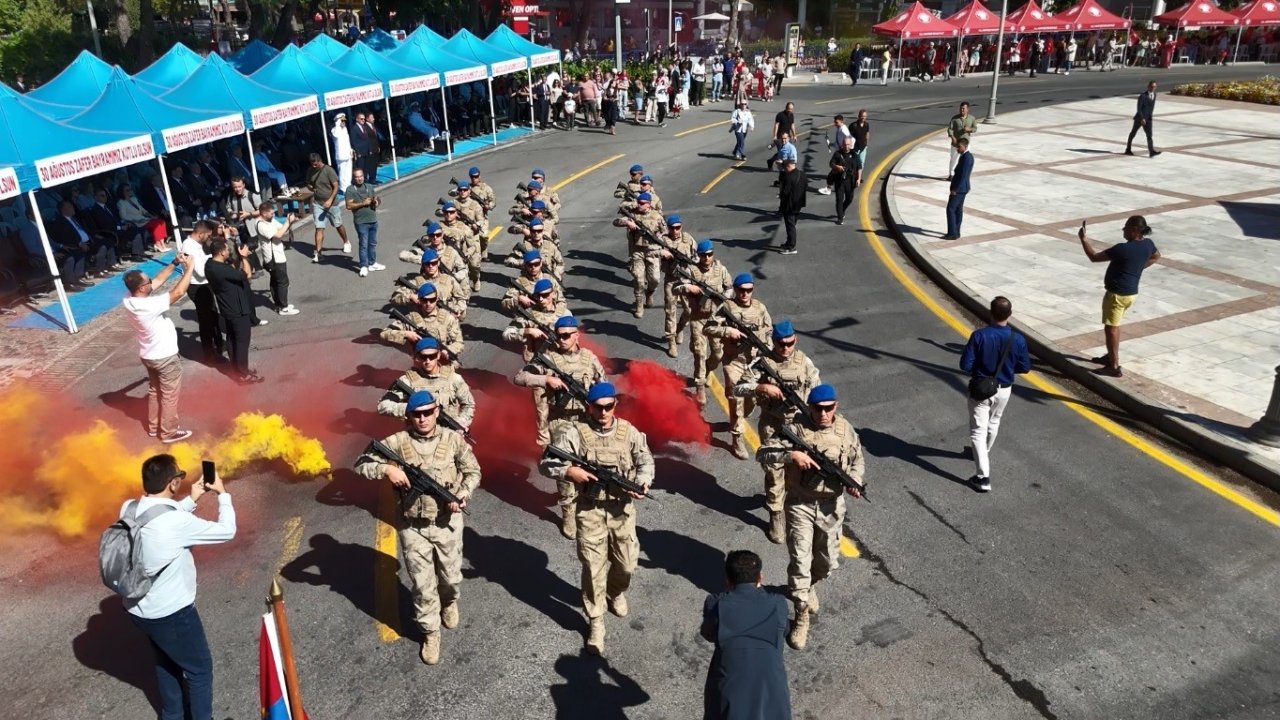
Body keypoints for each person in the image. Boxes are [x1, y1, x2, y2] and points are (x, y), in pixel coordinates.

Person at [355, 390, 481, 665]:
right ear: (409, 416)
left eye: (427, 413)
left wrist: (464, 494)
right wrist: (388, 471)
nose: (422, 419)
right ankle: (431, 633)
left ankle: (448, 602)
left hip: (447, 523)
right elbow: (361, 462)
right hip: (412, 526)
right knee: (423, 586)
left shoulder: (453, 440)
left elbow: (473, 471)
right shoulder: (398, 442)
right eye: (416, 414)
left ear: (437, 412)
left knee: (450, 578)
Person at [539, 381, 654, 656]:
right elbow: (546, 463)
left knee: (626, 565)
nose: (603, 413)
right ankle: (596, 620)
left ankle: (615, 592)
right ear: (589, 406)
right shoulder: (575, 433)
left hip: (621, 510)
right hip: (589, 511)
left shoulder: (629, 433)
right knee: (592, 568)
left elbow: (645, 461)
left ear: (615, 405)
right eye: (597, 407)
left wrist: (641, 481)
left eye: (608, 407)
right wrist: (570, 473)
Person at [123, 453, 236, 720]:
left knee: (166, 663)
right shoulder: (176, 524)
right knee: (199, 671)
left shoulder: (128, 508)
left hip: (137, 609)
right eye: (179, 479)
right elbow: (227, 530)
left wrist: (191, 499)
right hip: (172, 613)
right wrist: (223, 495)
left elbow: (157, 517)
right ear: (173, 483)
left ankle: (171, 716)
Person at [756, 384, 865, 650]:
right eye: (818, 409)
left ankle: (809, 586)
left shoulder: (845, 430)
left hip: (830, 507)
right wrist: (790, 455)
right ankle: (801, 613)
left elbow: (857, 460)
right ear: (811, 407)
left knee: (826, 564)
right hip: (800, 504)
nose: (823, 414)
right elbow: (763, 453)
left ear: (836, 406)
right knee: (800, 561)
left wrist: (855, 481)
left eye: (829, 408)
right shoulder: (796, 429)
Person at [514, 316, 605, 537]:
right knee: (566, 467)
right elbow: (520, 377)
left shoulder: (588, 358)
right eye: (558, 335)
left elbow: (602, 384)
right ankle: (568, 513)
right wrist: (546, 381)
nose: (561, 339)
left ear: (576, 336)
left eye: (566, 335)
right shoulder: (547, 358)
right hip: (560, 421)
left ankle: (589, 506)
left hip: (584, 419)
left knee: (590, 464)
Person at [733, 321, 821, 543]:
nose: (785, 348)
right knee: (774, 471)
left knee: (798, 471)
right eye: (781, 344)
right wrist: (761, 387)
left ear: (795, 340)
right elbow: (738, 388)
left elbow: (817, 391)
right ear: (773, 342)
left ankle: (791, 507)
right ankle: (775, 514)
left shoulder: (804, 363)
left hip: (799, 425)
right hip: (773, 425)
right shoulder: (763, 363)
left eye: (789, 343)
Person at [701, 550, 792, 720]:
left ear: (727, 580)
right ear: (760, 578)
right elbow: (785, 629)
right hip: (770, 687)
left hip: (729, 686)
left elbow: (708, 633)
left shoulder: (716, 604)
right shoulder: (777, 603)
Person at [959, 296, 1032, 492]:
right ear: (1010, 314)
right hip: (1005, 389)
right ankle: (985, 451)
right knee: (994, 422)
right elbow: (1025, 367)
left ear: (990, 313)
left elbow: (965, 365)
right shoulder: (1017, 339)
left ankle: (983, 478)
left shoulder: (979, 336)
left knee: (977, 432)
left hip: (981, 389)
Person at [122, 254, 196, 443]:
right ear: (141, 288)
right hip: (165, 357)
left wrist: (174, 263)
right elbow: (178, 292)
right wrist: (189, 269)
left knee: (155, 391)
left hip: (149, 355)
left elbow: (158, 280)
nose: (151, 283)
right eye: (148, 282)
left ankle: (154, 427)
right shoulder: (149, 305)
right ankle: (168, 432)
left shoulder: (129, 299)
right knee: (169, 395)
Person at [1078, 215, 1161, 378]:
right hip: (1131, 294)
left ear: (1135, 230)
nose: (1123, 230)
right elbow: (1157, 256)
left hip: (1117, 296)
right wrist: (1139, 267)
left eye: (1126, 227)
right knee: (1114, 326)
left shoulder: (1122, 249)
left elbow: (1094, 257)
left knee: (1111, 328)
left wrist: (1083, 239)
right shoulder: (1148, 244)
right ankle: (1109, 356)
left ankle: (1114, 365)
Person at [706, 274, 773, 459]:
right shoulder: (727, 307)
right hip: (733, 361)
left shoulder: (760, 308)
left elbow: (769, 330)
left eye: (748, 290)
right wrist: (729, 331)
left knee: (752, 400)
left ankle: (736, 421)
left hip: (753, 363)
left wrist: (766, 347)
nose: (745, 294)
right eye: (741, 290)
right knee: (736, 400)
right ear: (735, 289)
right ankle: (737, 439)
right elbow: (708, 328)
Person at [204, 237, 263, 384]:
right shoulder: (223, 269)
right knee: (242, 341)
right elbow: (247, 274)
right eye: (227, 249)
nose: (229, 250)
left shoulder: (209, 265)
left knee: (231, 339)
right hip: (237, 309)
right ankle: (243, 373)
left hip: (226, 308)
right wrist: (243, 257)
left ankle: (236, 369)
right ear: (221, 252)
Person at [613, 192, 666, 318]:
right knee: (638, 279)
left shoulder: (657, 216)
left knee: (654, 279)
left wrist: (659, 236)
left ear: (648, 204)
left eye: (642, 203)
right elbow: (615, 222)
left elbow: (665, 231)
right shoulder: (633, 215)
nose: (639, 205)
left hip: (652, 251)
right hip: (637, 252)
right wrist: (627, 223)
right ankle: (639, 304)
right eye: (638, 203)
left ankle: (650, 293)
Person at [252, 201, 299, 316]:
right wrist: (288, 222)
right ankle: (284, 307)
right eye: (271, 213)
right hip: (273, 258)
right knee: (282, 281)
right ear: (263, 213)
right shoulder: (261, 224)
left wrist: (290, 222)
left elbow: (282, 229)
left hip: (278, 255)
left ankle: (278, 304)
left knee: (275, 281)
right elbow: (278, 235)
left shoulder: (270, 220)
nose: (273, 215)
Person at [305, 153, 350, 262]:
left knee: (338, 225)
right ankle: (318, 253)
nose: (314, 167)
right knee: (319, 227)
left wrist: (330, 200)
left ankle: (346, 241)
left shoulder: (328, 170)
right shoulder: (310, 170)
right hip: (318, 203)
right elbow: (308, 184)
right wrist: (311, 188)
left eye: (315, 164)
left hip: (332, 203)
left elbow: (335, 186)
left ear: (320, 161)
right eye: (312, 165)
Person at [345, 168, 382, 277]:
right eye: (357, 177)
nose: (359, 178)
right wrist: (362, 203)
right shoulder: (350, 190)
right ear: (354, 178)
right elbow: (348, 205)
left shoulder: (369, 187)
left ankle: (372, 263)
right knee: (363, 244)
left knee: (372, 243)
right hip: (361, 222)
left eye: (361, 176)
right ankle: (363, 266)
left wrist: (376, 202)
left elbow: (376, 198)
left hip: (373, 219)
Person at [944, 137, 973, 241]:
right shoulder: (965, 156)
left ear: (965, 146)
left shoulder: (967, 158)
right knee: (957, 210)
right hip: (962, 188)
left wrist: (955, 189)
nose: (957, 149)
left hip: (959, 189)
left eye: (959, 147)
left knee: (951, 209)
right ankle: (956, 232)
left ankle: (952, 233)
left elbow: (963, 176)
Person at [1125, 81, 1161, 158]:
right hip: (1140, 119)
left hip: (1148, 119)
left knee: (1149, 135)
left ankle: (1151, 152)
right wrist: (1142, 118)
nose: (1153, 88)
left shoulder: (1154, 95)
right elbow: (1139, 108)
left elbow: (1151, 107)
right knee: (1133, 133)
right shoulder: (1142, 96)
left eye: (1154, 87)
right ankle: (1128, 149)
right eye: (1151, 86)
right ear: (1148, 87)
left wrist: (1149, 116)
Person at [777, 158, 806, 254]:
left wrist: (780, 195)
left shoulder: (788, 177)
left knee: (790, 226)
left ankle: (791, 247)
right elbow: (805, 186)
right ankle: (789, 242)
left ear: (788, 166)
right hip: (799, 204)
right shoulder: (802, 174)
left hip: (789, 205)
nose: (784, 169)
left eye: (785, 167)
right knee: (792, 224)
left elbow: (785, 192)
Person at [828, 136, 857, 226]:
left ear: (850, 145)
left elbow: (859, 167)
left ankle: (842, 210)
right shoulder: (837, 154)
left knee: (849, 198)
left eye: (848, 144)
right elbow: (831, 164)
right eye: (845, 144)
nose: (846, 146)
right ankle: (840, 217)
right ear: (842, 145)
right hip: (839, 180)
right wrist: (837, 167)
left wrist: (859, 179)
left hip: (850, 181)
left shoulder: (854, 154)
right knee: (839, 199)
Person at [947, 101, 977, 180]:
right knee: (953, 159)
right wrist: (953, 138)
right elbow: (950, 129)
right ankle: (951, 175)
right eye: (960, 109)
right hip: (956, 143)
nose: (962, 110)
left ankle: (964, 175)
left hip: (966, 144)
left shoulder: (972, 118)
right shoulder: (955, 119)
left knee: (965, 159)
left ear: (968, 109)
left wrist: (969, 129)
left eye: (963, 109)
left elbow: (975, 129)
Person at [765, 103, 797, 174]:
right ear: (786, 108)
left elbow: (792, 125)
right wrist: (775, 135)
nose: (790, 111)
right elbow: (776, 125)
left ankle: (770, 161)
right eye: (789, 109)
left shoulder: (791, 115)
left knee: (785, 151)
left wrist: (794, 135)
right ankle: (783, 168)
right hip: (780, 137)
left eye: (791, 109)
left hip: (787, 137)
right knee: (781, 152)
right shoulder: (780, 115)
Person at [331, 113, 353, 190]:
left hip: (347, 154)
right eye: (342, 120)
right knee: (342, 173)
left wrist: (350, 150)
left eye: (344, 121)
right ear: (338, 121)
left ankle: (348, 185)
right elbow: (336, 135)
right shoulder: (334, 130)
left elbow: (347, 141)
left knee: (348, 171)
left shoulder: (345, 129)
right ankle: (343, 188)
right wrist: (337, 124)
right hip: (341, 156)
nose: (344, 122)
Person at [850, 109, 871, 186]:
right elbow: (850, 137)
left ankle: (859, 178)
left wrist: (867, 144)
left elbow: (867, 134)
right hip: (855, 148)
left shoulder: (866, 125)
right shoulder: (853, 126)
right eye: (862, 116)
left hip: (863, 147)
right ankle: (855, 176)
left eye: (865, 116)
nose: (863, 118)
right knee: (855, 163)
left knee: (861, 163)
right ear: (858, 116)